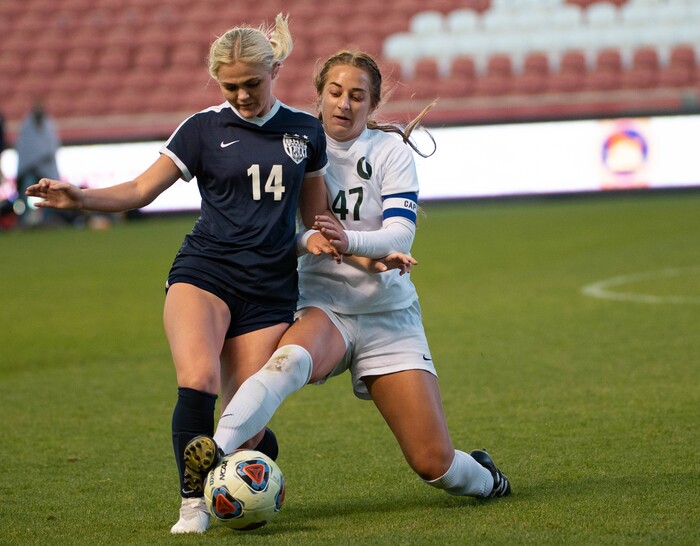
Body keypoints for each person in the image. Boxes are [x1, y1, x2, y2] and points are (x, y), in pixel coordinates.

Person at [26, 13, 338, 535]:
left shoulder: (306, 133)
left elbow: (315, 218)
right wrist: (79, 199)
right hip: (205, 271)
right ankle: (192, 507)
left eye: (252, 84)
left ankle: (252, 458)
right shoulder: (201, 129)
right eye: (230, 86)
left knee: (244, 429)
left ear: (275, 70)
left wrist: (329, 241)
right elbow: (138, 191)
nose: (242, 95)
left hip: (269, 290)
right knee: (198, 381)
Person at [183, 50, 511, 528]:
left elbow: (400, 236)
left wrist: (347, 239)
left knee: (433, 464)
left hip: (387, 316)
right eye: (335, 92)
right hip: (325, 305)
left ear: (372, 104)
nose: (344, 104)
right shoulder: (290, 142)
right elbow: (283, 235)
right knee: (288, 362)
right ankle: (219, 448)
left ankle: (485, 477)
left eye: (357, 96)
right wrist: (307, 240)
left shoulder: (389, 151)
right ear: (319, 95)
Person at [15, 99, 62, 226]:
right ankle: (24, 221)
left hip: (45, 168)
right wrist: (34, 161)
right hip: (29, 169)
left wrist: (39, 159)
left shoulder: (49, 124)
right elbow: (24, 147)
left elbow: (52, 146)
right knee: (26, 193)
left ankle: (47, 220)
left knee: (49, 194)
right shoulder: (26, 125)